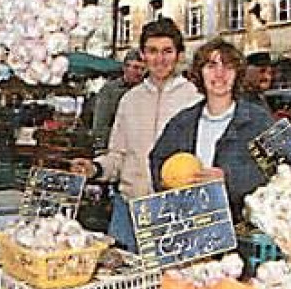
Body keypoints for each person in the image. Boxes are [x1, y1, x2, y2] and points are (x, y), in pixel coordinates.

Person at [70, 18, 199, 249]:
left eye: (167, 51)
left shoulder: (195, 99)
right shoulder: (129, 100)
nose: (160, 59)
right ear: (143, 54)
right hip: (128, 210)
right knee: (121, 278)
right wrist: (95, 168)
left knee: (170, 283)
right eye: (152, 51)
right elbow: (117, 155)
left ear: (179, 55)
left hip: (176, 212)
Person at [149, 38, 273, 220]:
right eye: (211, 66)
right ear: (199, 73)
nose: (219, 74)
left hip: (240, 228)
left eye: (228, 67)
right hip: (189, 225)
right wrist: (171, 182)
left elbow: (279, 170)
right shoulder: (182, 122)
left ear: (238, 74)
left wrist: (229, 179)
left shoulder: (259, 120)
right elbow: (157, 161)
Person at [90, 50, 146, 151]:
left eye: (142, 69)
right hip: (113, 146)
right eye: (136, 67)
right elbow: (101, 121)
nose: (139, 73)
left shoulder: (146, 90)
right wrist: (101, 147)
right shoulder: (110, 90)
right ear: (125, 68)